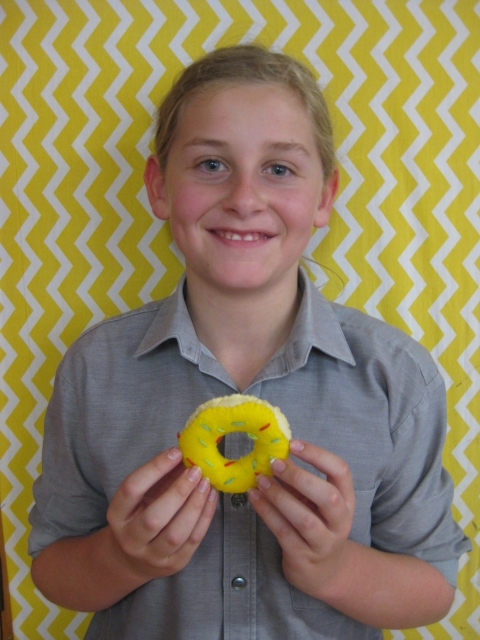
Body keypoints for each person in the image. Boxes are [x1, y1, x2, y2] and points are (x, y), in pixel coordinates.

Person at [28, 44, 470, 639]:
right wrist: (123, 559)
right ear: (159, 188)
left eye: (279, 169)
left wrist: (333, 568)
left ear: (324, 197)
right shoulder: (95, 368)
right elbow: (53, 569)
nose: (242, 198)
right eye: (211, 164)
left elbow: (434, 587)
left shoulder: (396, 376)